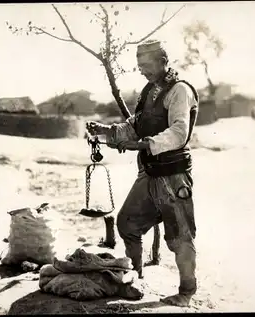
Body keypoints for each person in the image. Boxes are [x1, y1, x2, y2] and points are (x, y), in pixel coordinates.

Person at [86, 39, 199, 307]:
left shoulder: (180, 91)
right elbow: (136, 125)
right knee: (127, 224)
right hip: (149, 172)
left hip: (173, 175)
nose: (142, 71)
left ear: (163, 61)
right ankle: (134, 281)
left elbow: (179, 132)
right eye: (139, 66)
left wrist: (142, 144)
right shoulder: (150, 91)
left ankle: (186, 292)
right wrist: (106, 130)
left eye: (146, 65)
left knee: (179, 235)